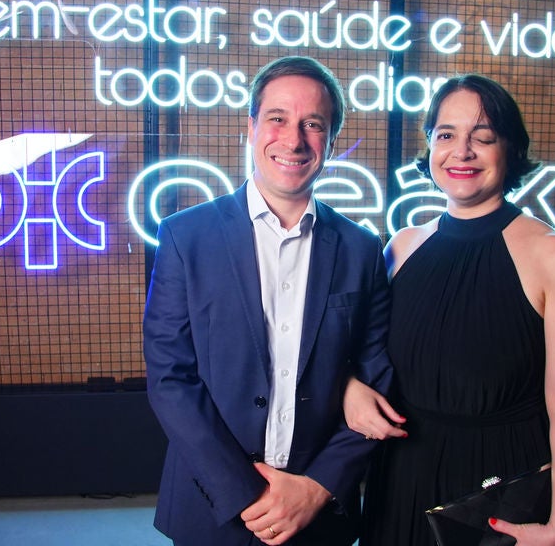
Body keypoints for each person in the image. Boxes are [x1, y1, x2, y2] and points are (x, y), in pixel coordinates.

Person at [143, 55, 393, 546]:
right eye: (277, 118)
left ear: (331, 141)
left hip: (319, 511)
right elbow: (170, 378)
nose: (293, 139)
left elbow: (377, 379)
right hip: (212, 508)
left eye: (313, 124)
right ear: (251, 126)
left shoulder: (362, 250)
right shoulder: (185, 237)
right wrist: (244, 492)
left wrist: (318, 486)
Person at [344, 74, 555, 546]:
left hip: (500, 482)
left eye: (482, 137)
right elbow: (362, 355)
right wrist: (350, 387)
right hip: (402, 475)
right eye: (446, 135)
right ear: (430, 146)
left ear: (510, 150)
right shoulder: (401, 246)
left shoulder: (552, 254)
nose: (461, 152)